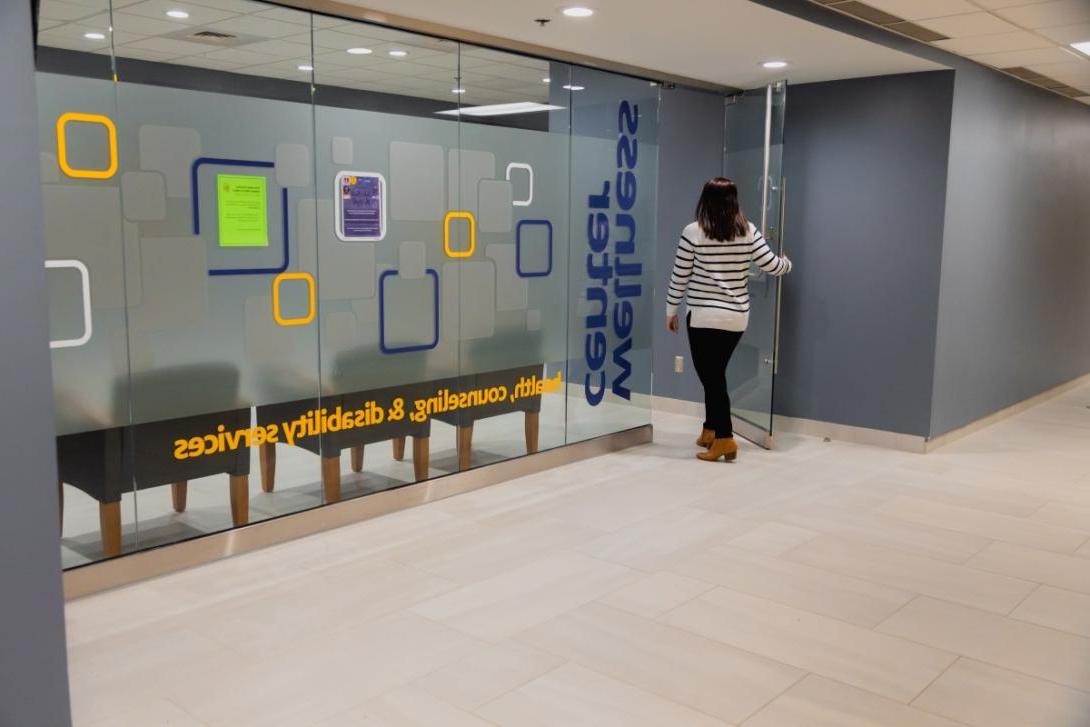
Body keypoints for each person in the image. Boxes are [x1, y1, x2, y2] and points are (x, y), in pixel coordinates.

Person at [666, 177, 792, 462]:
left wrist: (670, 310)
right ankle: (710, 429)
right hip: (736, 318)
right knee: (714, 375)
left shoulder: (693, 232)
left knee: (712, 378)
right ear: (734, 201)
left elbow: (680, 276)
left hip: (702, 317)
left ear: (705, 200)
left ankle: (725, 439)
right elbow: (772, 265)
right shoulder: (748, 231)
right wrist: (787, 263)